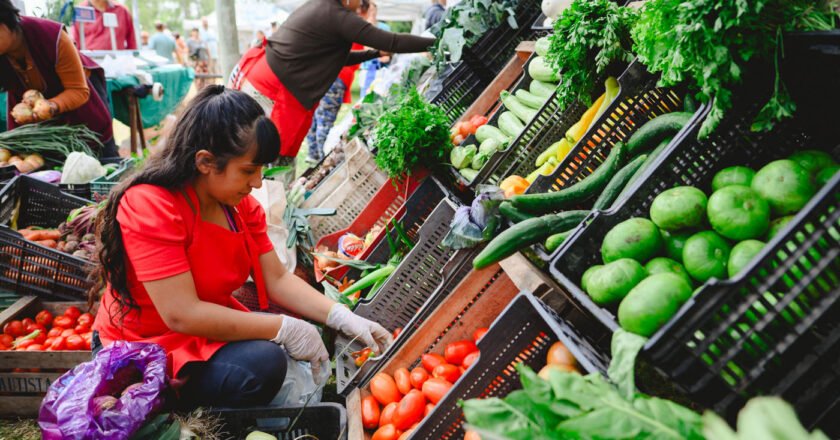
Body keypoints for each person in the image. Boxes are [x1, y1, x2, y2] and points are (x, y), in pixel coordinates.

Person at [90, 85, 392, 408]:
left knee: (269, 357)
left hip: (201, 334)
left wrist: (341, 316)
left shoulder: (238, 208)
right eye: (248, 170)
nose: (259, 182)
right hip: (144, 346)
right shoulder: (150, 205)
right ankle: (155, 397)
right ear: (206, 162)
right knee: (265, 364)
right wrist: (284, 328)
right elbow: (181, 314)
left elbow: (276, 278)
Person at [229, 0, 435, 170]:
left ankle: (273, 208)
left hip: (267, 81)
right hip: (272, 89)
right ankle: (267, 210)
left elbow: (338, 57)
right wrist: (433, 41)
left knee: (267, 159)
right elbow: (392, 41)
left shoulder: (323, 8)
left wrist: (373, 54)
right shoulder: (336, 15)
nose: (361, 3)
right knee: (262, 158)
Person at [0, 0, 117, 157]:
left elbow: (79, 91)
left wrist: (50, 106)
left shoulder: (52, 36)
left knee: (102, 164)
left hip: (83, 113)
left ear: (4, 23)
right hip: (46, 132)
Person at [71, 0, 137, 51]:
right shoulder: (78, 11)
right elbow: (75, 45)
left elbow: (132, 43)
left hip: (118, 63)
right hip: (90, 64)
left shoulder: (122, 11)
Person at [359, 1, 391, 99]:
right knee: (365, 97)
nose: (372, 12)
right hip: (367, 69)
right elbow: (365, 49)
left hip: (381, 69)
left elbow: (388, 51)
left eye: (374, 10)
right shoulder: (361, 27)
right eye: (370, 10)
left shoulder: (384, 28)